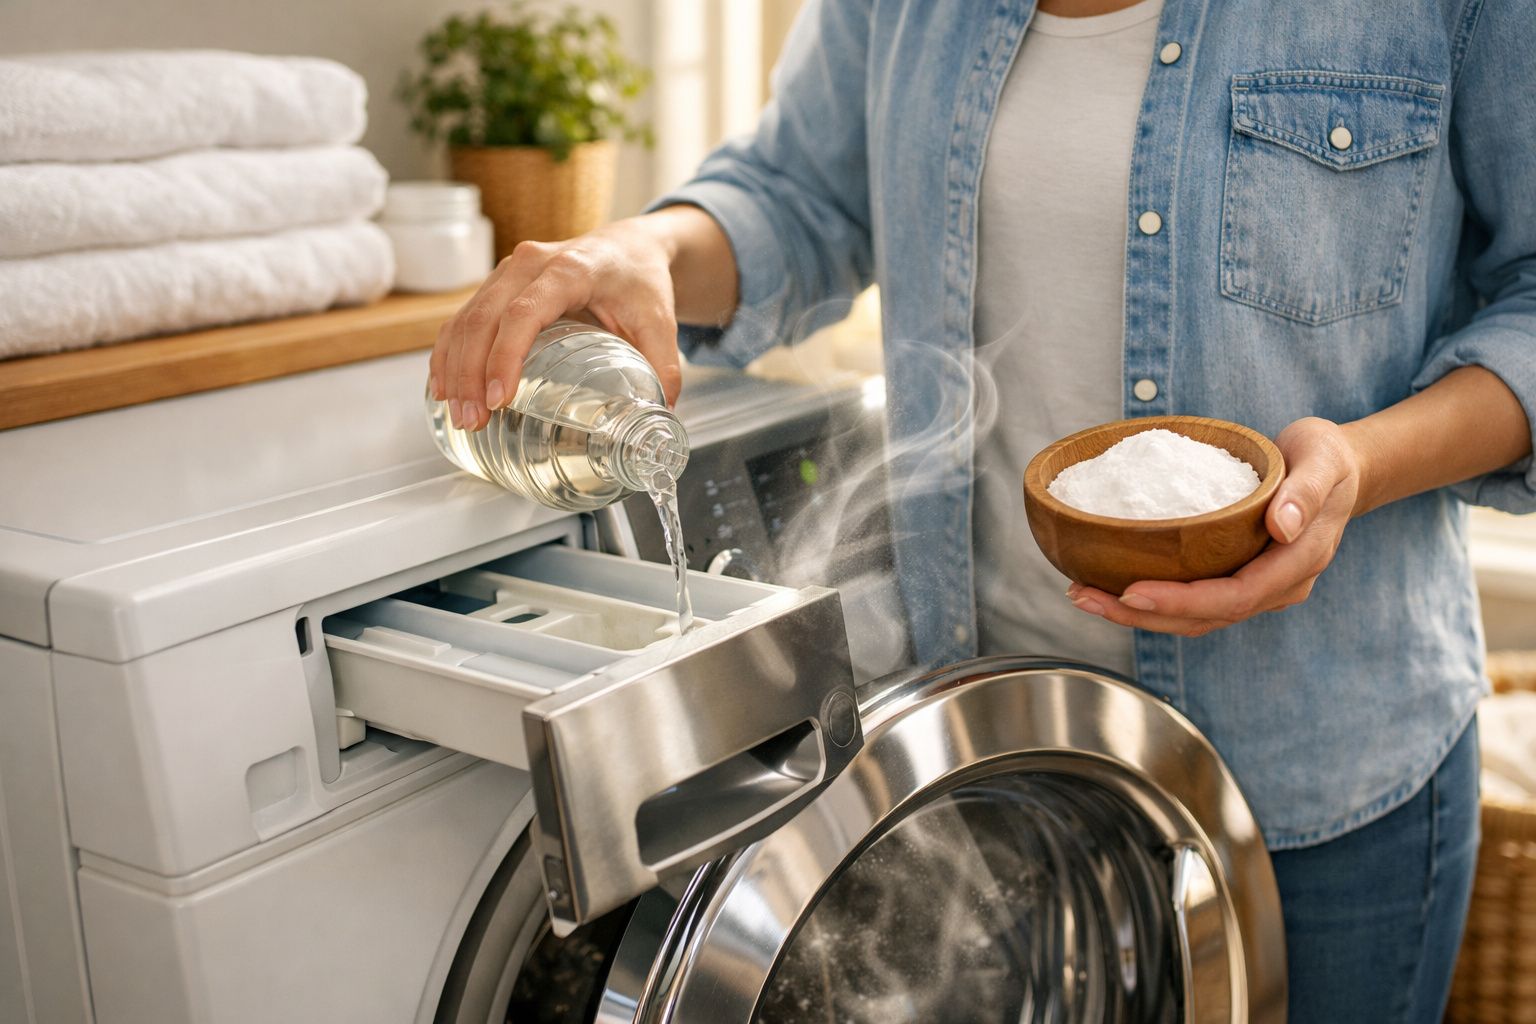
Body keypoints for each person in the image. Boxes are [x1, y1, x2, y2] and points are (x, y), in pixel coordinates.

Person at [429, 0, 1536, 1019]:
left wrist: (1357, 466)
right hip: (995, 766)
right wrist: (645, 248)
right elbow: (798, 196)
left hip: (1324, 778)